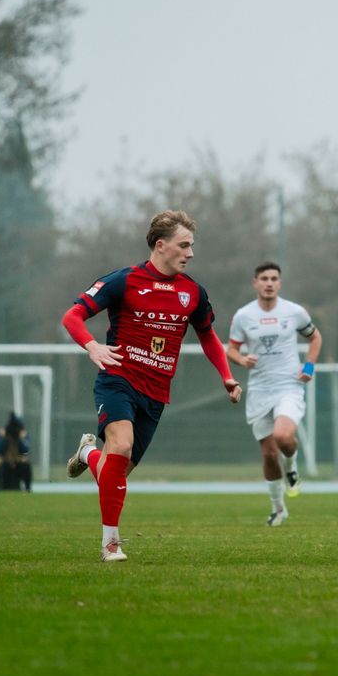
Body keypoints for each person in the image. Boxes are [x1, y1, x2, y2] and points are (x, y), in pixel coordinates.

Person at [61, 210, 242, 562]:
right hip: (117, 381)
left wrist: (226, 376)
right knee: (122, 446)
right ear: (161, 246)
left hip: (156, 393)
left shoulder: (193, 293)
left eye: (192, 246)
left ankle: (87, 454)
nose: (190, 253)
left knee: (114, 472)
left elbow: (207, 336)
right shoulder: (123, 281)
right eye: (184, 245)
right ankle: (110, 544)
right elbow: (73, 316)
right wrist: (92, 346)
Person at [227, 261, 323, 526]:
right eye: (264, 279)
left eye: (273, 279)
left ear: (279, 283)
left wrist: (309, 365)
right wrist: (241, 360)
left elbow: (315, 338)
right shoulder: (243, 316)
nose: (269, 283)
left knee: (283, 435)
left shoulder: (294, 312)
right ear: (255, 283)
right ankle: (278, 508)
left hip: (289, 385)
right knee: (269, 454)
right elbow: (231, 349)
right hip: (259, 389)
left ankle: (291, 467)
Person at [0, 412, 33, 492]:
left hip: (18, 463)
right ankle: (0, 487)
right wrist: (3, 438)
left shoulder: (22, 436)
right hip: (6, 464)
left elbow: (25, 450)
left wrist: (22, 439)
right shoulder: (3, 435)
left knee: (26, 465)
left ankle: (27, 488)